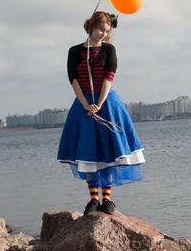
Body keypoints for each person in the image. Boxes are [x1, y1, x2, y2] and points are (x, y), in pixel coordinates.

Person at [57, 11, 145, 216]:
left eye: (107, 31)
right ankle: (93, 200)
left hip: (107, 104)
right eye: (100, 30)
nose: (103, 34)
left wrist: (99, 104)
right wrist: (86, 104)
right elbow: (73, 80)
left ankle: (107, 199)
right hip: (83, 106)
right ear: (90, 26)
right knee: (88, 153)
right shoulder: (75, 51)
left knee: (108, 152)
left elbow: (108, 78)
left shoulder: (109, 50)